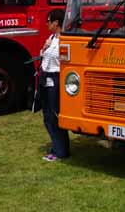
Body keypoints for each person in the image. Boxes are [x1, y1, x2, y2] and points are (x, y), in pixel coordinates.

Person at [40, 9, 70, 161]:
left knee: (54, 116)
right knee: (47, 116)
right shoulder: (51, 38)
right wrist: (45, 48)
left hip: (56, 79)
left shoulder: (65, 39)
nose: (46, 24)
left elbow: (65, 61)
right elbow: (43, 56)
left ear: (56, 23)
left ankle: (60, 151)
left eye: (48, 21)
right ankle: (57, 147)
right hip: (46, 77)